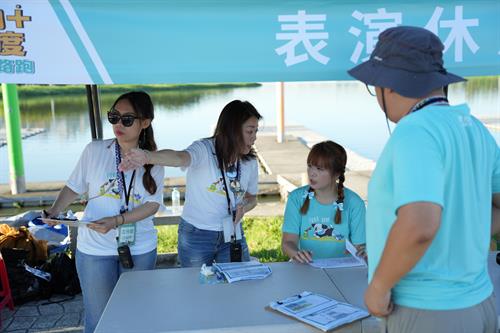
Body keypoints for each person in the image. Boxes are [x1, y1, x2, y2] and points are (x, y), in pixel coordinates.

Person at [348, 26, 500, 332]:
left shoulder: (415, 131)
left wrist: (379, 285)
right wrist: (460, 234)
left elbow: (420, 223)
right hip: (481, 303)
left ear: (388, 85)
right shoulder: (475, 128)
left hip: (427, 311)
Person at [42, 91, 164, 333]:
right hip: (94, 248)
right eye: (114, 116)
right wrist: (55, 210)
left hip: (139, 249)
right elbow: (73, 186)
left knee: (135, 318)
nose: (118, 124)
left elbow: (152, 205)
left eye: (127, 119)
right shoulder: (95, 150)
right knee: (99, 320)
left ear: (145, 122)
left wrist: (117, 220)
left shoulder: (154, 159)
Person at [120, 100, 261, 267]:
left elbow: (253, 198)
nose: (254, 138)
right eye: (250, 131)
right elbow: (180, 157)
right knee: (196, 286)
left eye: (256, 131)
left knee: (237, 283)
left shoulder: (249, 161)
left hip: (232, 233)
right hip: (197, 234)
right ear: (232, 129)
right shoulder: (204, 149)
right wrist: (148, 156)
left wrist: (244, 207)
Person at [281, 140, 366, 263]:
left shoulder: (355, 203)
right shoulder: (296, 198)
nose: (312, 173)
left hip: (343, 271)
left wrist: (361, 251)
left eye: (319, 169)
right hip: (305, 268)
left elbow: (360, 247)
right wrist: (296, 253)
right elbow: (287, 243)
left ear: (337, 174)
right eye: (310, 166)